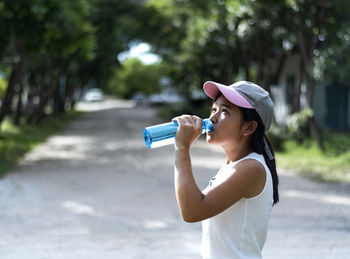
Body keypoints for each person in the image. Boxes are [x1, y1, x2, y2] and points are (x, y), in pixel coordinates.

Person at [172, 80, 279, 259]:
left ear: (249, 127)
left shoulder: (251, 168)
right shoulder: (233, 165)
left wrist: (182, 149)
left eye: (225, 111)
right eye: (214, 109)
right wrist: (182, 148)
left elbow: (192, 211)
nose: (212, 118)